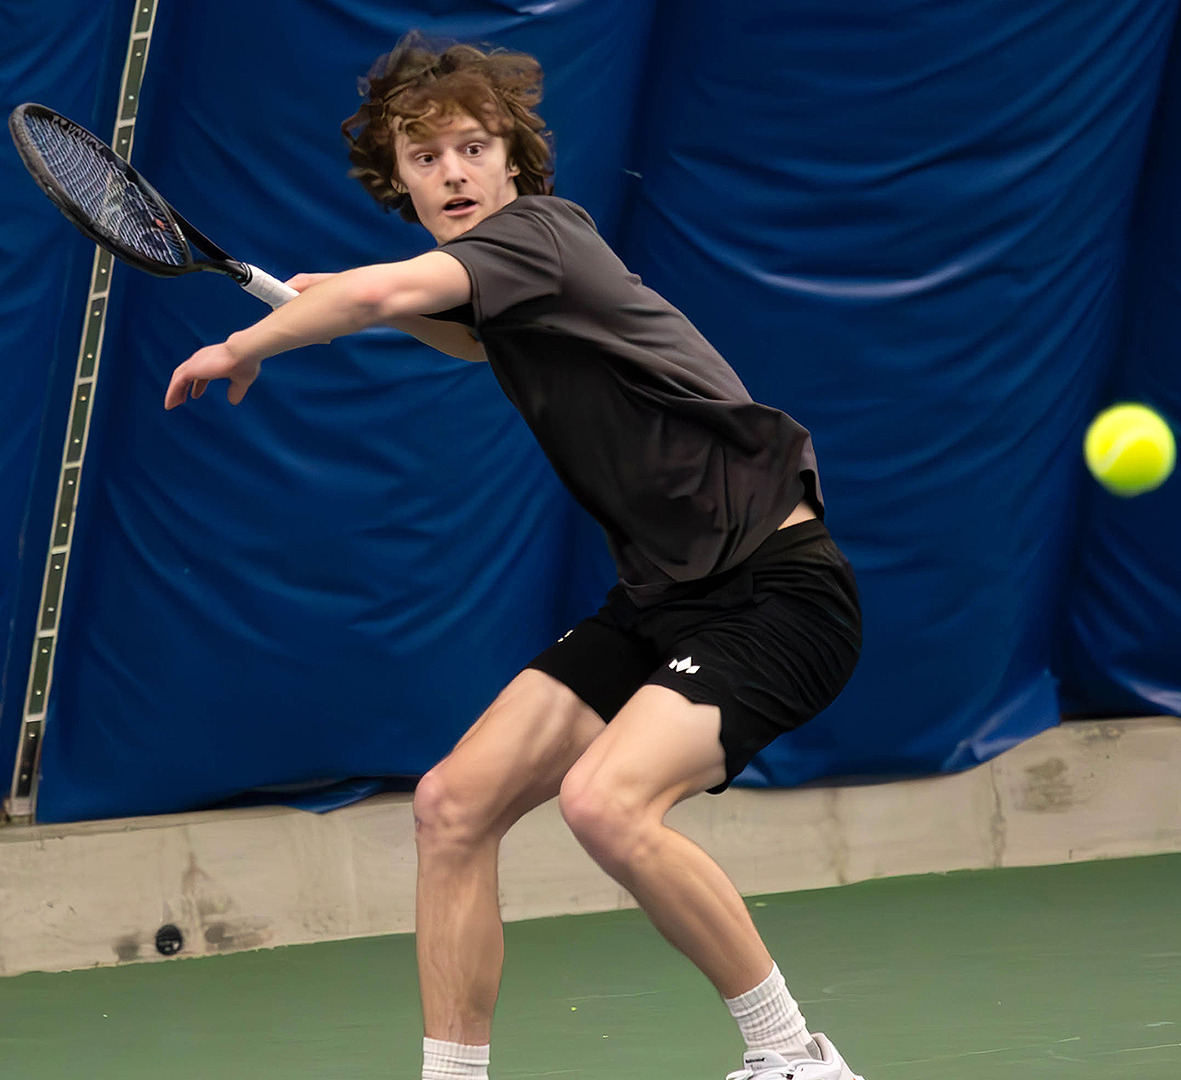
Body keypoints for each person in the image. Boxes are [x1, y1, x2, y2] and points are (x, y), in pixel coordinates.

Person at [163, 33, 865, 1080]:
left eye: (472, 147)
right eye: (424, 155)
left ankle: (796, 1057)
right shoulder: (507, 290)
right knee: (454, 805)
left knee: (605, 802)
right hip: (665, 598)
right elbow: (447, 325)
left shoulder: (544, 233)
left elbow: (387, 300)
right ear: (396, 177)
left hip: (777, 592)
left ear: (513, 163)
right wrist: (335, 302)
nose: (451, 172)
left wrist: (252, 340)